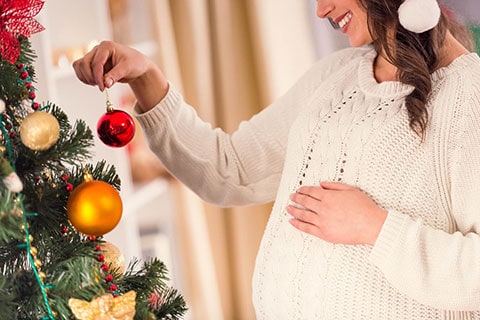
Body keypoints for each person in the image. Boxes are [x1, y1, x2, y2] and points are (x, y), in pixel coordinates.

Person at [73, 0, 480, 318]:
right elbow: (229, 170)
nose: (320, 10)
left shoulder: (470, 97)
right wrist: (146, 78)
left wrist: (376, 228)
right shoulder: (335, 77)